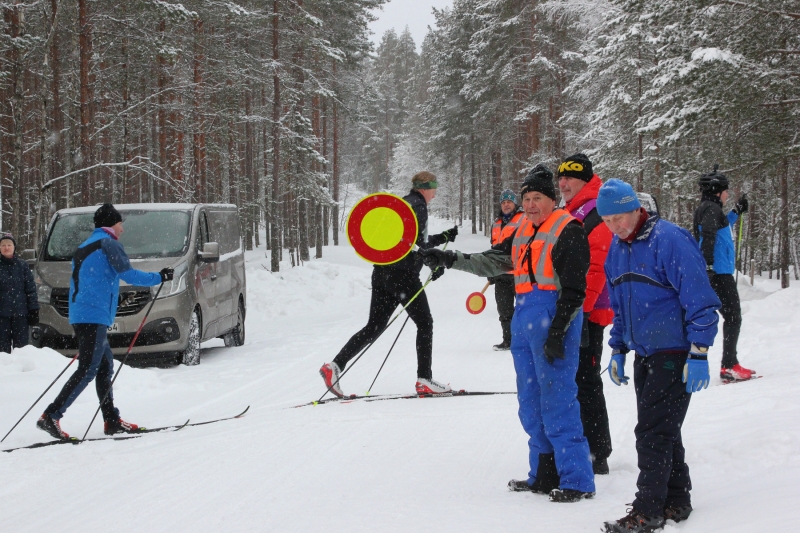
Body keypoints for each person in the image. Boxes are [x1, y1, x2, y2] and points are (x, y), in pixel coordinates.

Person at [420, 164, 596, 503]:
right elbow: (491, 262)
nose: (530, 205)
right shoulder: (523, 231)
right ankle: (543, 475)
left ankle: (577, 479)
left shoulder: (568, 230)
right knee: (530, 403)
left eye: (537, 198)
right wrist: (448, 257)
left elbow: (575, 290)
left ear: (551, 199)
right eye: (526, 198)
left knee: (558, 401)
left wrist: (558, 331)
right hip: (525, 320)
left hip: (555, 321)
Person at [598, 179, 721, 533]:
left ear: (637, 209)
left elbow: (700, 298)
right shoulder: (617, 249)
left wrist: (698, 351)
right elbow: (619, 305)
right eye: (608, 221)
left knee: (651, 432)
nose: (615, 226)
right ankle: (677, 499)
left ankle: (647, 510)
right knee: (664, 430)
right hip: (645, 353)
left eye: (620, 217)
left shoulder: (669, 239)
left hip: (675, 350)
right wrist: (618, 347)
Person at [37, 204, 174, 440]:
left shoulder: (85, 245)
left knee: (103, 366)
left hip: (83, 313)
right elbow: (128, 274)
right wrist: (159, 277)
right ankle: (51, 415)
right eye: (120, 224)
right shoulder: (108, 243)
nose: (122, 229)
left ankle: (111, 420)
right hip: (93, 314)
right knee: (88, 368)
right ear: (111, 224)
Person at [320, 171, 458, 397]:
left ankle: (334, 366)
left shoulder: (403, 204)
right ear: (425, 188)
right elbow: (415, 245)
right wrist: (435, 265)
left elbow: (407, 241)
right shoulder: (420, 207)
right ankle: (424, 379)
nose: (434, 194)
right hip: (403, 276)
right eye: (434, 188)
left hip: (382, 273)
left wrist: (442, 238)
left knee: (373, 327)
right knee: (425, 323)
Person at [557, 153, 614, 475]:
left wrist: (579, 311)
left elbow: (596, 267)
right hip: (574, 309)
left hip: (588, 313)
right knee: (576, 379)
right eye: (561, 178)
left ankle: (597, 451)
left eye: (571, 178)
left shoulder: (594, 210)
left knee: (586, 380)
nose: (563, 183)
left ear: (586, 180)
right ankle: (582, 444)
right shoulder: (571, 210)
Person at [693, 164, 755, 382]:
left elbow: (718, 226)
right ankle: (729, 366)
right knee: (733, 317)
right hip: (718, 273)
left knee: (729, 317)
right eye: (726, 190)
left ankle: (729, 364)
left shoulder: (710, 208)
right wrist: (708, 265)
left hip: (718, 271)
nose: (728, 194)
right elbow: (708, 234)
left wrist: (736, 212)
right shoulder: (711, 209)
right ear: (717, 191)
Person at [488, 189, 524, 350]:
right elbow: (493, 248)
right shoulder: (496, 224)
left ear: (515, 204)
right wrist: (491, 271)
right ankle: (508, 341)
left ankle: (524, 340)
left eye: (509, 201)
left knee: (524, 310)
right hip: (501, 274)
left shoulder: (523, 219)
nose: (506, 205)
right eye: (503, 202)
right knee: (504, 311)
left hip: (519, 274)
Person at [0, 233, 39, 354]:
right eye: (3, 245)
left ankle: (22, 372)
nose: (6, 247)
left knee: (22, 350)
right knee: (2, 351)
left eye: (9, 245)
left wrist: (34, 310)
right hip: (2, 316)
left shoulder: (23, 266)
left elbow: (31, 290)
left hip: (21, 315)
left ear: (14, 247)